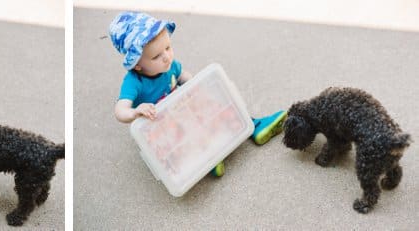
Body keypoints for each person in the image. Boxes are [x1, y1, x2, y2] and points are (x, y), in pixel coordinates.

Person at [109, 12, 287, 174]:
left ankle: (253, 125)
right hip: (160, 122)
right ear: (137, 64)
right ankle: (207, 158)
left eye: (168, 48)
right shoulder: (133, 82)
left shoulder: (170, 65)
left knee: (213, 105)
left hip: (181, 106)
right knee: (175, 142)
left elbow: (183, 76)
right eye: (156, 56)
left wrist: (197, 85)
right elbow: (120, 110)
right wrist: (135, 111)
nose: (166, 57)